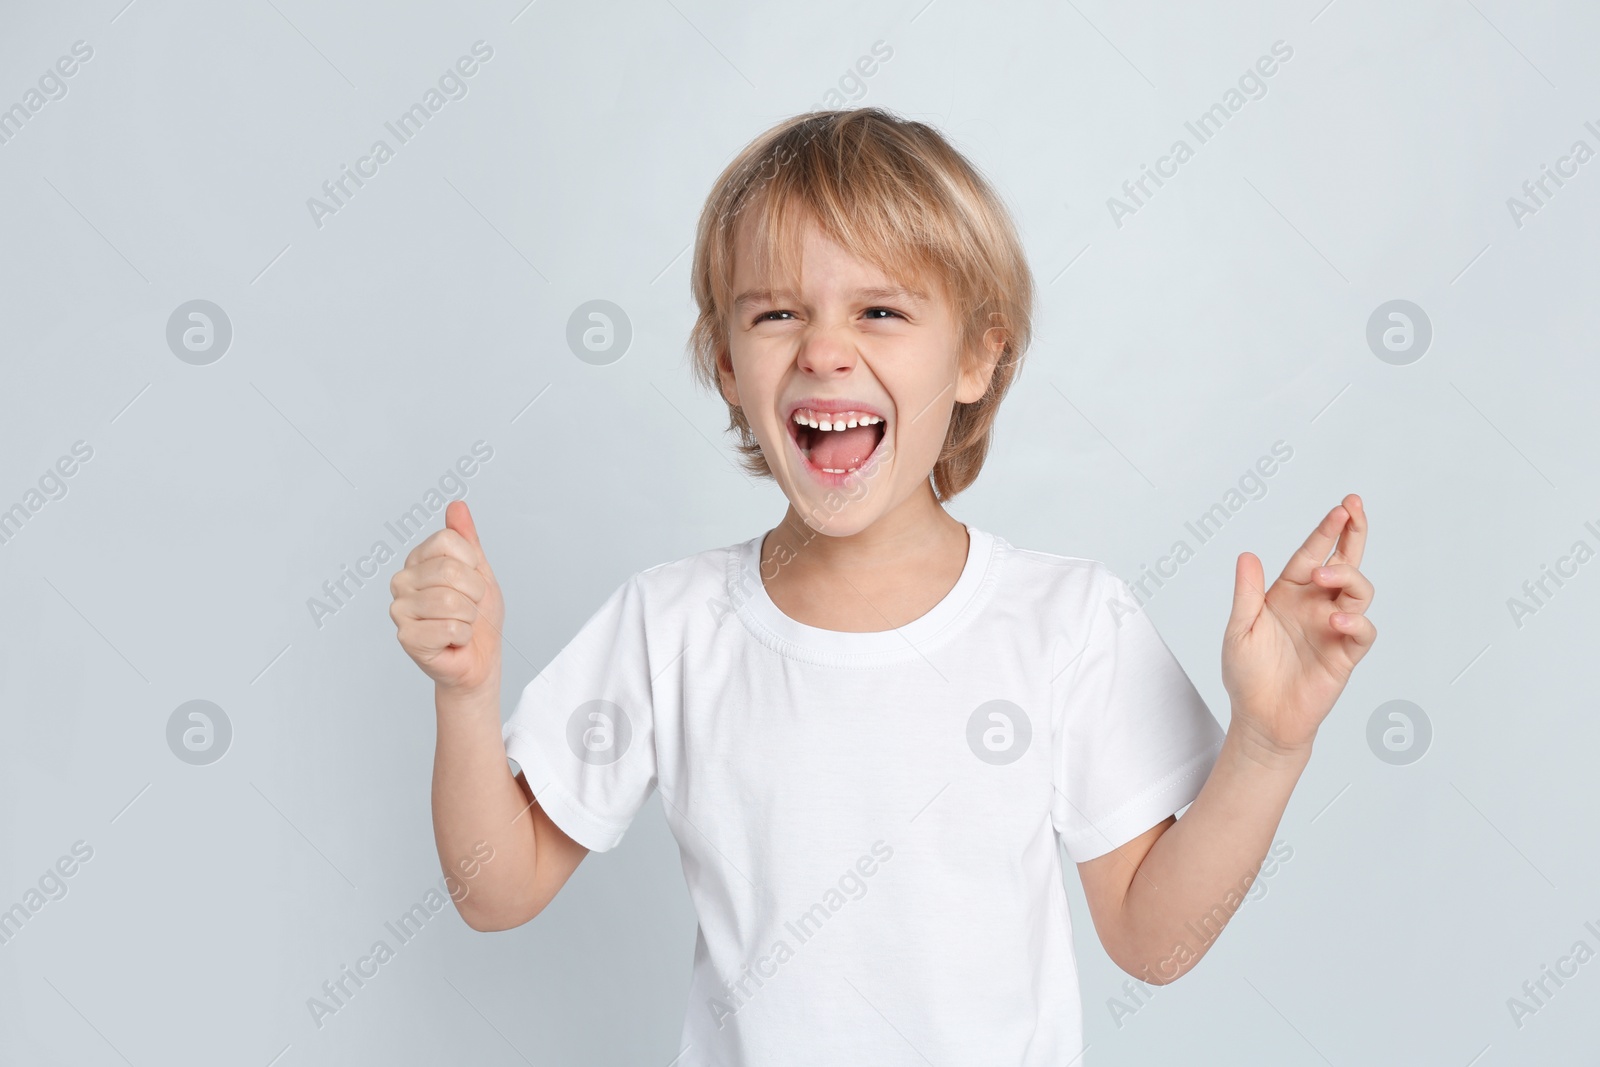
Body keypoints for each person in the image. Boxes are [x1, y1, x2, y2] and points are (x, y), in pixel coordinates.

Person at [388, 106, 1376, 1064]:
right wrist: (465, 694)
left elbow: (1153, 940)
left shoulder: (1069, 622)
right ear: (727, 364)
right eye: (776, 312)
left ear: (978, 354)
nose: (823, 348)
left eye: (880, 310)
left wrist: (1267, 742)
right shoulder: (669, 622)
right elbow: (494, 888)